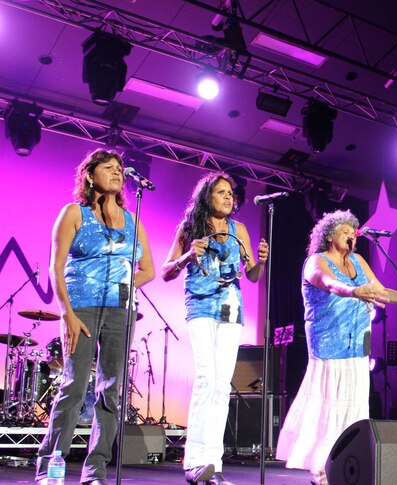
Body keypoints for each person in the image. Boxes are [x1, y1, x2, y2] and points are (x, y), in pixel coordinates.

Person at [36, 149, 155, 485]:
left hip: (121, 311)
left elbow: (148, 270)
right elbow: (55, 267)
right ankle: (51, 468)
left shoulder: (133, 221)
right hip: (82, 309)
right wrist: (67, 314)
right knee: (74, 387)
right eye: (109, 167)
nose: (117, 173)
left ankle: (95, 471)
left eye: (120, 168)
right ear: (89, 175)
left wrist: (125, 282)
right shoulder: (74, 212)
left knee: (110, 391)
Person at [275, 210, 397, 485]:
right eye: (345, 229)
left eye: (353, 230)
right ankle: (321, 468)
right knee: (329, 404)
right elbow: (329, 283)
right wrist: (354, 291)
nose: (351, 234)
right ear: (328, 234)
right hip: (329, 345)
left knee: (355, 405)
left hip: (358, 345)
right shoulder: (315, 261)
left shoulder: (359, 260)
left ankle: (348, 464)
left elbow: (380, 291)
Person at [162, 172, 268, 485]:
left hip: (231, 307)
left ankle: (214, 464)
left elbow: (252, 275)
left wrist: (262, 260)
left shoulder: (240, 230)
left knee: (222, 386)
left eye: (231, 194)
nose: (228, 198)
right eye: (221, 192)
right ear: (207, 196)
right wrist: (186, 256)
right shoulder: (190, 228)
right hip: (201, 306)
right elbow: (166, 271)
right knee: (206, 378)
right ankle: (194, 461)